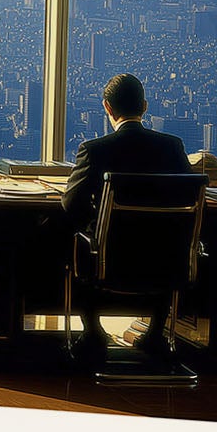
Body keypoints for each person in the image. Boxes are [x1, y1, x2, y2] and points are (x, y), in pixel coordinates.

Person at [62, 73, 192, 365]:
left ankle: (93, 333)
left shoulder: (95, 151)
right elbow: (189, 197)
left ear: (107, 107)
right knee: (163, 242)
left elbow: (71, 205)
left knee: (76, 240)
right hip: (165, 262)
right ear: (144, 106)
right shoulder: (172, 148)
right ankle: (156, 333)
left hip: (111, 260)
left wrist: (97, 220)